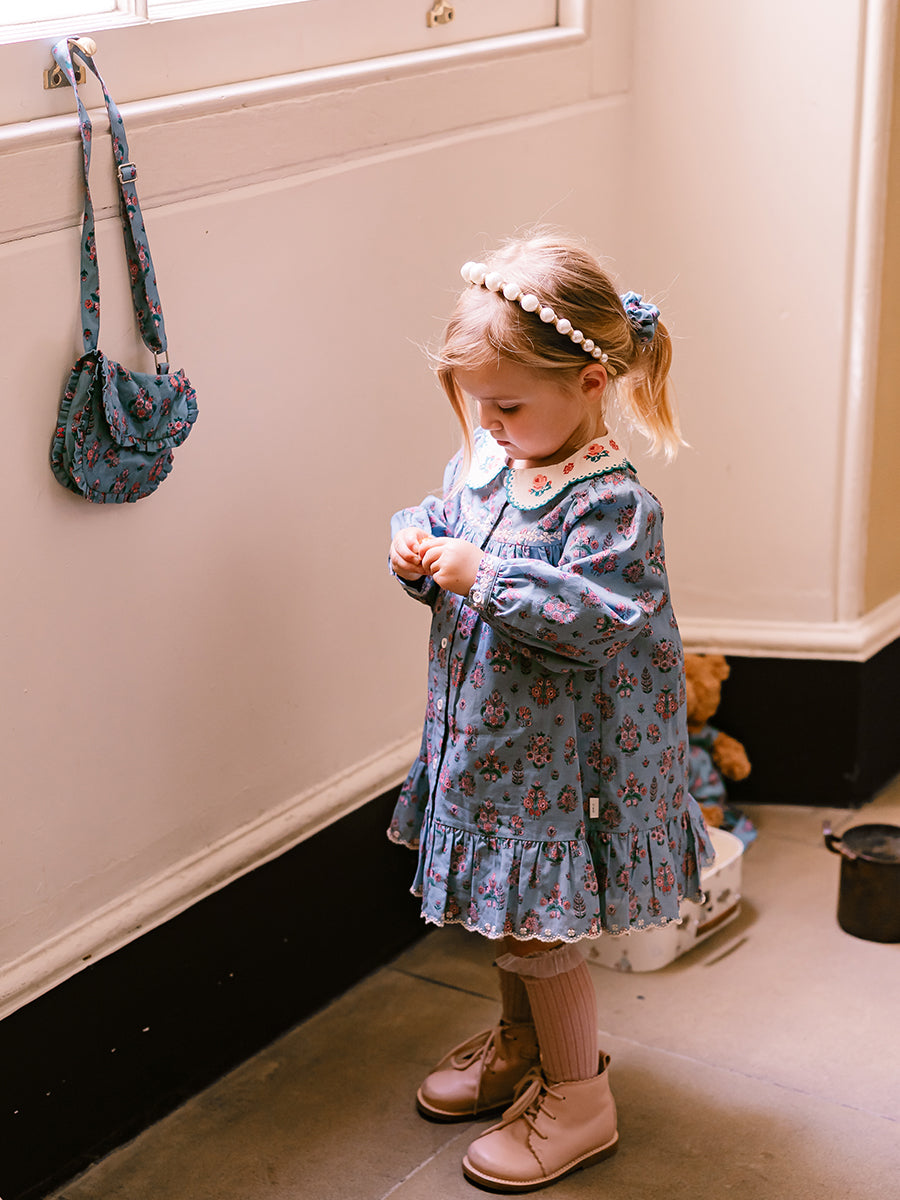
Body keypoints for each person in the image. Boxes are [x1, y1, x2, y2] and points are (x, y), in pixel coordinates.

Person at [388, 234, 713, 1193]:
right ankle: (524, 1045)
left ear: (591, 383)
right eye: (477, 404)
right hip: (496, 750)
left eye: (509, 405)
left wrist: (483, 576)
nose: (488, 424)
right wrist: (419, 549)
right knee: (510, 912)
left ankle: (578, 1095)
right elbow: (450, 523)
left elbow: (591, 619)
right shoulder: (492, 462)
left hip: (565, 770)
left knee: (540, 931)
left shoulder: (612, 505)